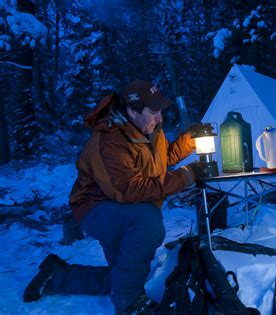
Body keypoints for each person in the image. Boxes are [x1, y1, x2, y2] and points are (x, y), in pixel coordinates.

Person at [23, 80, 205, 314]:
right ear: (132, 110)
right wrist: (186, 176)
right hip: (96, 207)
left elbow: (162, 161)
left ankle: (56, 276)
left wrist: (189, 139)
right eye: (154, 112)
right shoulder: (109, 140)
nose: (160, 118)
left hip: (122, 206)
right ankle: (130, 304)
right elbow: (130, 190)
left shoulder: (148, 130)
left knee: (123, 276)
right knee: (147, 221)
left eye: (160, 111)